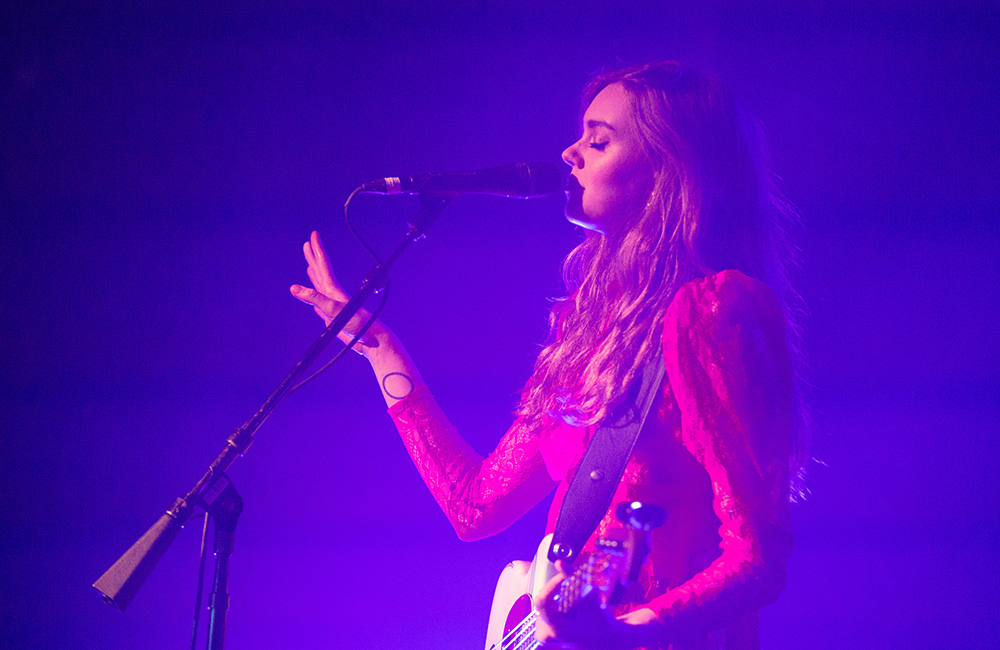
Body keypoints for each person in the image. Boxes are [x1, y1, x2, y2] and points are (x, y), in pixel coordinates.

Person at [290, 61, 807, 649]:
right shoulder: (587, 333)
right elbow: (475, 507)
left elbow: (757, 557)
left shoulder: (713, 313)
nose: (568, 152)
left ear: (670, 169)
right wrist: (379, 346)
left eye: (599, 139)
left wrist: (627, 627)